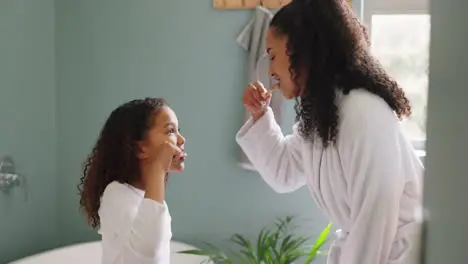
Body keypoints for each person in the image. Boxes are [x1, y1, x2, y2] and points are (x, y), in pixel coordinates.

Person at [235, 0, 424, 264]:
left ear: (301, 51)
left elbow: (374, 218)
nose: (270, 70)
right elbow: (284, 172)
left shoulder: (362, 111)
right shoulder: (324, 112)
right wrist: (259, 116)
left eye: (273, 55)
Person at [78, 98, 187, 264]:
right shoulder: (116, 194)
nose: (181, 140)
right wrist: (158, 169)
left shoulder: (145, 196)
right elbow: (148, 252)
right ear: (139, 148)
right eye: (171, 130)